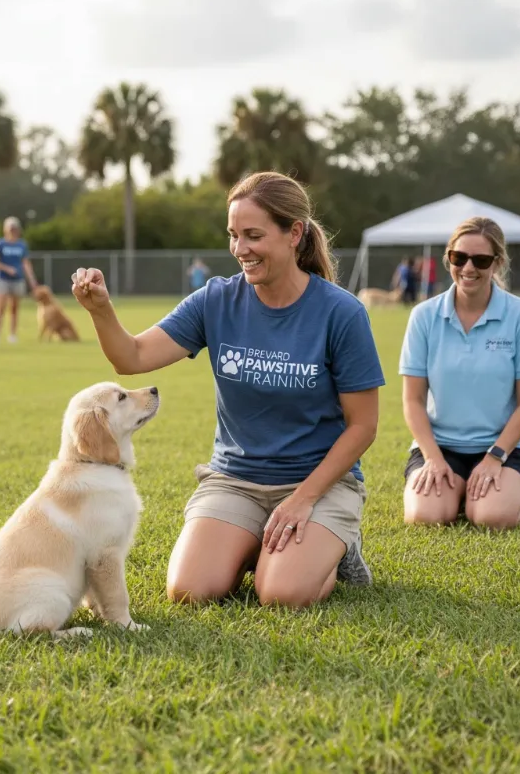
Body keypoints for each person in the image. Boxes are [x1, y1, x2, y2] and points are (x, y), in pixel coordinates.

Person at [71, 171, 385, 609]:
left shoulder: (341, 313)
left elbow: (364, 426)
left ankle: (335, 547)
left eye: (253, 235)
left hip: (318, 483)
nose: (240, 249)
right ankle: (266, 545)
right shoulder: (216, 300)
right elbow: (133, 358)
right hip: (236, 481)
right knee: (190, 591)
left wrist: (303, 499)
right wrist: (101, 311)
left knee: (282, 595)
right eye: (233, 235)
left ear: (294, 233)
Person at [399, 217, 520, 529]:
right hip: (440, 448)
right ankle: (464, 492)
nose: (468, 268)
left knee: (492, 517)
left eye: (480, 260)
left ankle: (489, 498)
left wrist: (494, 457)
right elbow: (412, 401)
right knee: (424, 517)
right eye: (459, 257)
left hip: (505, 448)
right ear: (448, 258)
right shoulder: (423, 316)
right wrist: (433, 458)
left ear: (497, 263)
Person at [0, 216, 38, 345]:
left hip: (18, 280)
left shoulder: (22, 245)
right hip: (2, 279)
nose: (12, 230)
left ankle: (12, 335)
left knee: (15, 308)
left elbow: (26, 263)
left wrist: (31, 279)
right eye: (10, 228)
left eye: (14, 228)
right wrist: (7, 269)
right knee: (0, 308)